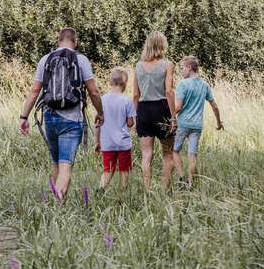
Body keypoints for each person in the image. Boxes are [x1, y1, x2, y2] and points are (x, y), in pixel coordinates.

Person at [19, 27, 104, 200]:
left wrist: (23, 117)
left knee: (56, 163)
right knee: (66, 167)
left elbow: (35, 91)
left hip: (49, 117)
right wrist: (100, 112)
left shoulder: (45, 59)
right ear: (76, 42)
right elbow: (94, 91)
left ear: (58, 41)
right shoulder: (81, 60)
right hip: (71, 120)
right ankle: (51, 209)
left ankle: (59, 206)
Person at [133, 31, 177, 188]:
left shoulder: (138, 66)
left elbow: (136, 94)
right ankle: (165, 188)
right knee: (168, 153)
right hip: (162, 108)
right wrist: (173, 116)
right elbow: (169, 91)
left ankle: (147, 189)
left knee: (146, 154)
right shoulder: (168, 65)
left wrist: (136, 116)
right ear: (162, 45)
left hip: (143, 110)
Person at [172, 56, 223, 187]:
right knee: (192, 154)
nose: (181, 71)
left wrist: (170, 116)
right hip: (197, 126)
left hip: (183, 124)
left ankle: (181, 178)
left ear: (189, 68)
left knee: (175, 151)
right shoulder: (205, 85)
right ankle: (190, 183)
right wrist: (219, 122)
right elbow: (215, 106)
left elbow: (177, 107)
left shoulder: (183, 84)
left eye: (182, 68)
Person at [94, 67, 137, 190]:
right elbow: (130, 123)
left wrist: (97, 141)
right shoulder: (127, 101)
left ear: (110, 82)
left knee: (108, 170)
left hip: (107, 143)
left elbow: (97, 124)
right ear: (125, 83)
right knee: (124, 170)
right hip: (123, 143)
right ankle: (122, 193)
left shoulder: (102, 100)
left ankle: (100, 189)